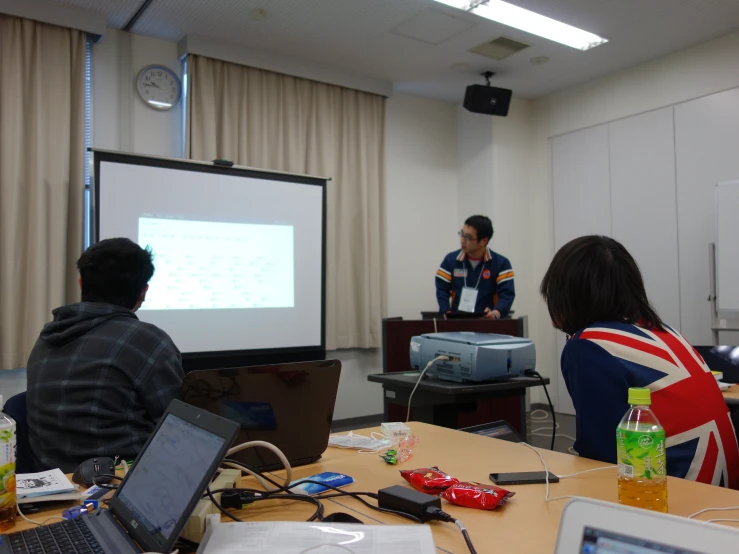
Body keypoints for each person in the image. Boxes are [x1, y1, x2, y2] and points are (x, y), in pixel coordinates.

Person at [540, 235, 739, 488]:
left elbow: (601, 458)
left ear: (567, 295)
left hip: (677, 497)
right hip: (723, 493)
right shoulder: (663, 330)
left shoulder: (588, 346)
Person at [26, 238, 184, 473]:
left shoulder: (47, 337)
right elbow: (182, 426)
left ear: (81, 282)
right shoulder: (147, 340)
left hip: (55, 488)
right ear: (144, 291)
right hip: (125, 485)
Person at [435, 215, 514, 318]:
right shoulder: (450, 260)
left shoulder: (501, 263)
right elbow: (442, 289)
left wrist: (495, 314)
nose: (462, 240)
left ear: (484, 241)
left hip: (487, 326)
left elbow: (507, 295)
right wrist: (446, 311)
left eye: (468, 237)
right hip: (457, 324)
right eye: (462, 234)